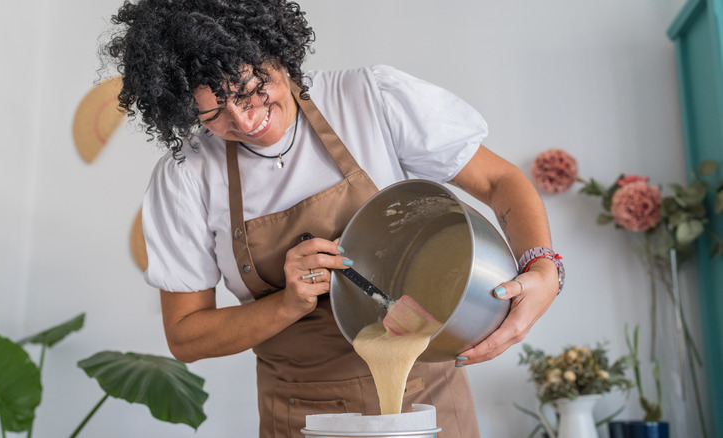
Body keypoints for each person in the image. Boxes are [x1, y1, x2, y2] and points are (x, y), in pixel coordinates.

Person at [103, 1, 563, 437]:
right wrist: (286, 304)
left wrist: (542, 266)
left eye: (251, 90)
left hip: (428, 401)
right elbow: (186, 336)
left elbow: (498, 181)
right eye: (214, 114)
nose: (244, 121)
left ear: (275, 50)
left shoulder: (367, 99)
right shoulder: (187, 176)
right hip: (301, 415)